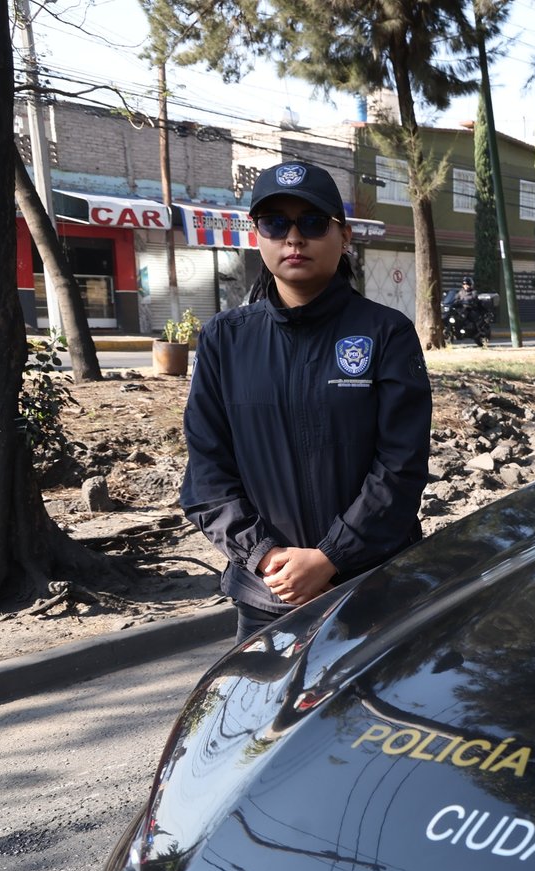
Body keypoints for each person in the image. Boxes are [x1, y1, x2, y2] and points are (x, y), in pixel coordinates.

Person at [181, 161, 432, 643]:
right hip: (266, 599)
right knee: (262, 719)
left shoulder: (385, 334)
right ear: (258, 236)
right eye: (277, 223)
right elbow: (206, 474)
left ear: (345, 236)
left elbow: (401, 467)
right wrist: (264, 558)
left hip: (372, 589)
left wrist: (330, 558)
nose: (294, 238)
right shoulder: (224, 341)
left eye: (313, 222)